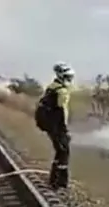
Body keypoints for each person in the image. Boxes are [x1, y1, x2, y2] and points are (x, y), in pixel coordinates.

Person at [35, 62, 75, 190]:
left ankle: (56, 180)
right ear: (63, 77)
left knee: (60, 151)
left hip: (50, 125)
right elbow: (62, 112)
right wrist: (65, 130)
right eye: (69, 77)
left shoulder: (52, 87)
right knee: (64, 151)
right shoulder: (62, 91)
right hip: (56, 126)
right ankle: (59, 183)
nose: (70, 80)